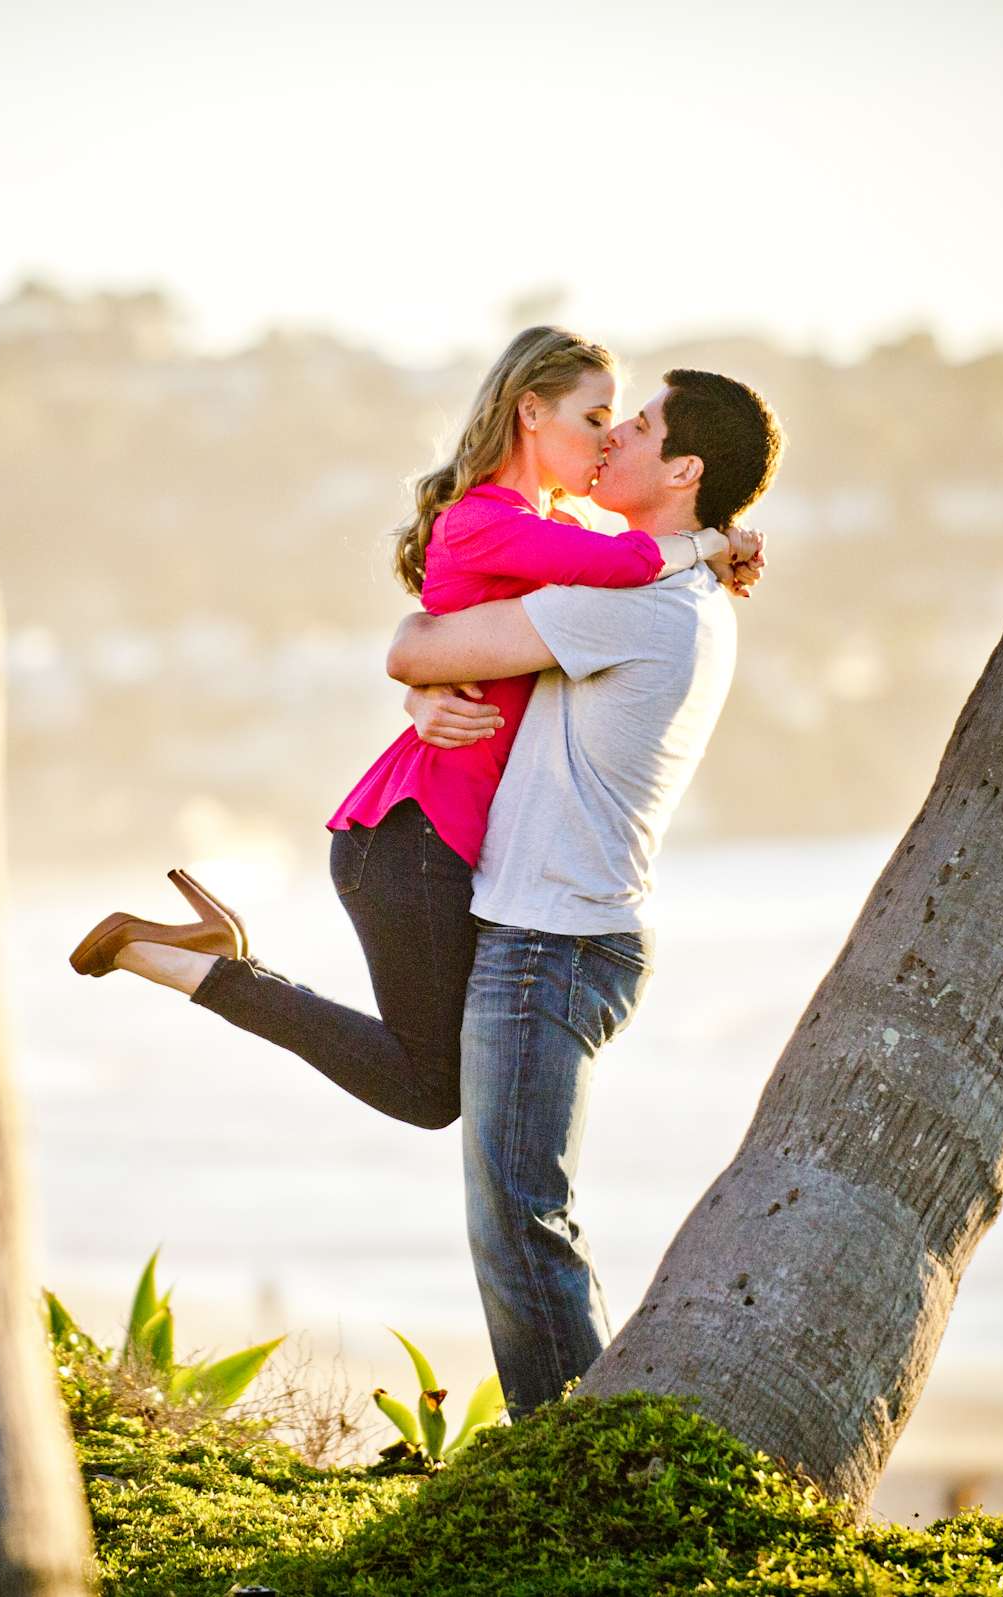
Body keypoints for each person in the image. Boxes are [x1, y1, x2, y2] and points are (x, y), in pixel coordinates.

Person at [67, 328, 758, 1132]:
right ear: (531, 412)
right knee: (434, 1091)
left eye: (622, 421)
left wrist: (422, 685)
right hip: (412, 838)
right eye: (597, 416)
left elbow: (510, 619)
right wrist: (711, 542)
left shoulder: (546, 531)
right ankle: (201, 968)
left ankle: (214, 958)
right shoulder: (495, 521)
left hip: (432, 833)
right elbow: (627, 569)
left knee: (441, 1083)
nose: (609, 438)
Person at [381, 369, 784, 1415]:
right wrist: (433, 707)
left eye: (638, 424)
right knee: (517, 1213)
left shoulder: (642, 603)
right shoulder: (659, 588)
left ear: (685, 469)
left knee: (521, 1216)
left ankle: (572, 1465)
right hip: (554, 929)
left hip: (552, 942)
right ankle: (570, 1454)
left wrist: (425, 684)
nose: (614, 437)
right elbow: (447, 667)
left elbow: (416, 645)